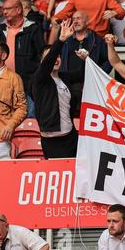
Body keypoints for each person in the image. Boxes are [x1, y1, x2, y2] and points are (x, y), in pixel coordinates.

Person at [32, 19, 83, 159]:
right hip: (53, 140)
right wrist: (60, 41)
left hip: (71, 136)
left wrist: (85, 60)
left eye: (58, 56)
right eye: (52, 56)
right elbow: (49, 60)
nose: (56, 59)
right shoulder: (40, 79)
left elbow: (82, 73)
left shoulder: (64, 77)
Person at [0, 0, 45, 118]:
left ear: (18, 9)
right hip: (4, 84)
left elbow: (41, 53)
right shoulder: (1, 28)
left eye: (8, 9)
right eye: (4, 9)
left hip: (27, 84)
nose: (5, 12)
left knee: (29, 118)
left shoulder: (33, 28)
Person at [0, 41, 26, 159]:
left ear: (4, 56)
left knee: (1, 174)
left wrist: (11, 125)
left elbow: (21, 108)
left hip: (0, 137)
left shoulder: (14, 78)